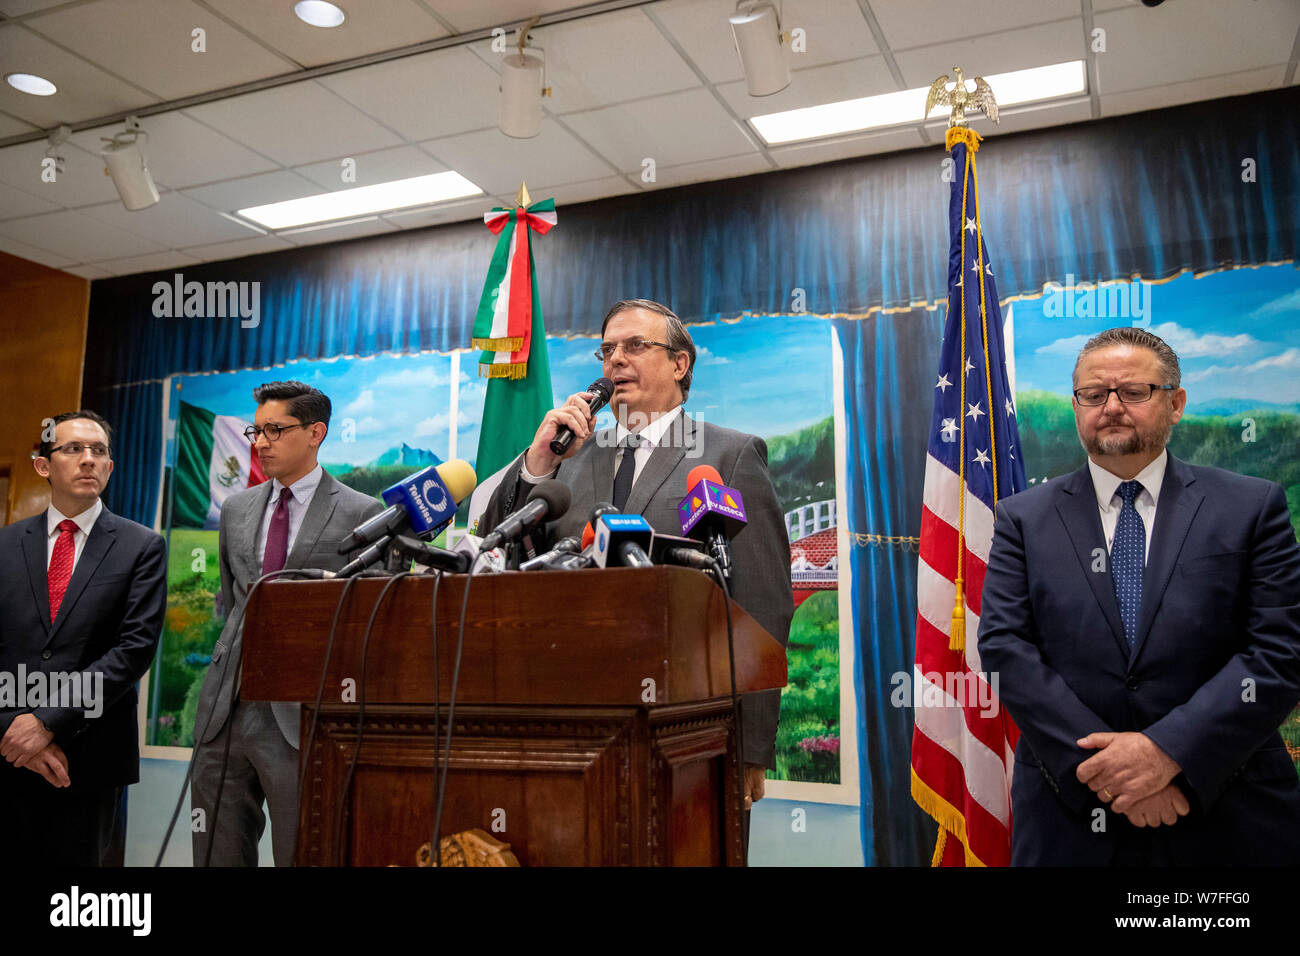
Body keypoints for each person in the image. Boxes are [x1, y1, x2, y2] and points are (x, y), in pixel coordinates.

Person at [978, 327, 1300, 865]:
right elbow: (1007, 649)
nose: (1111, 407)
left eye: (1133, 391)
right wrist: (1115, 776)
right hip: (1070, 815)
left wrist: (1170, 753)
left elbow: (1280, 651)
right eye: (1093, 394)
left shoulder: (1251, 507)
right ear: (1076, 404)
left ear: (1175, 403)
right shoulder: (1023, 519)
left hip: (1228, 809)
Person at [476, 299, 794, 825]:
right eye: (607, 350)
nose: (615, 360)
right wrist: (537, 464)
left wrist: (752, 744)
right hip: (570, 727)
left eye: (635, 346)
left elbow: (761, 604)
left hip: (687, 730)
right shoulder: (568, 457)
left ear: (679, 363)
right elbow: (492, 550)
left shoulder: (729, 454)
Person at [191, 381, 383, 866]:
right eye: (257, 431)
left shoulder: (362, 512)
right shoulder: (236, 509)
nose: (260, 442)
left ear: (316, 432)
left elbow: (371, 621)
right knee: (215, 852)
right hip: (225, 709)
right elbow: (235, 597)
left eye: (275, 430)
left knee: (303, 852)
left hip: (303, 715)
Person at [0, 410, 166, 866]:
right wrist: (13, 726)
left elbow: (132, 651)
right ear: (43, 465)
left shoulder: (142, 546)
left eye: (99, 451)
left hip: (90, 760)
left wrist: (47, 721)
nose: (88, 459)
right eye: (73, 449)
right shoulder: (4, 545)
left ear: (111, 467)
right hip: (7, 751)